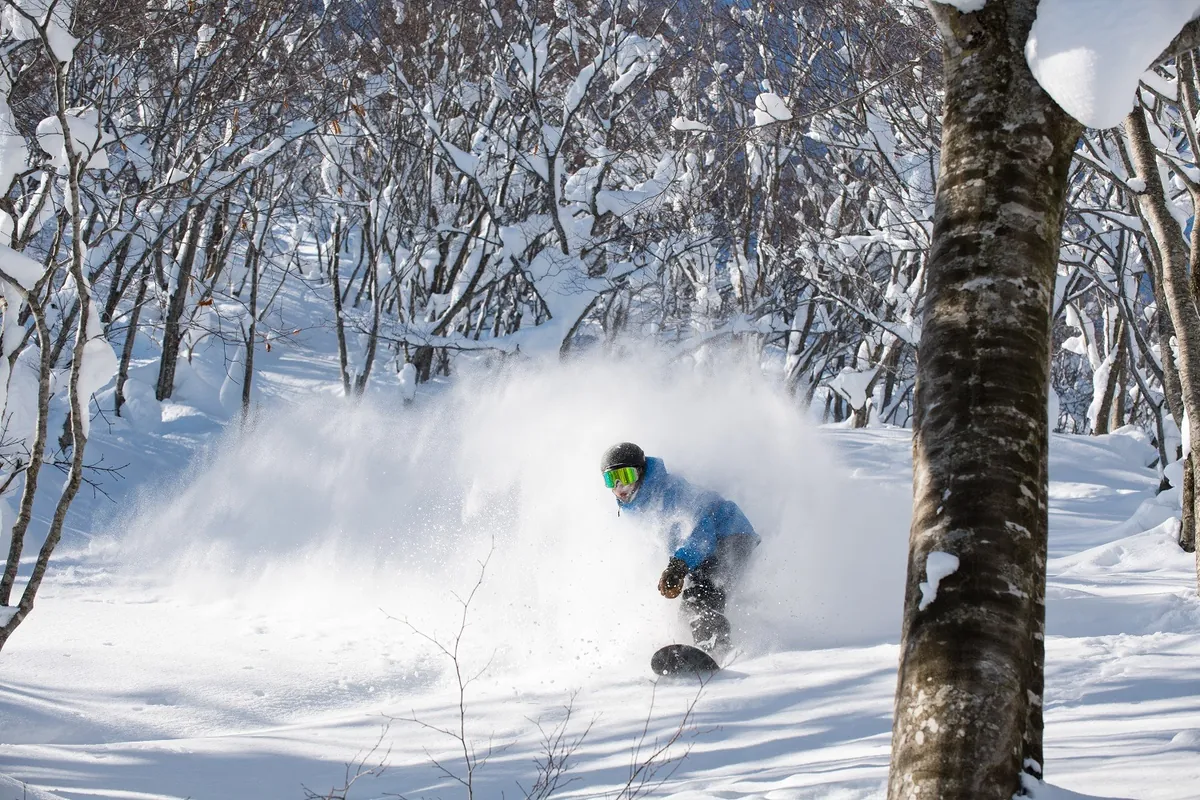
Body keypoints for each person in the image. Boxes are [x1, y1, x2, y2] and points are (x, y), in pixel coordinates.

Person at [601, 441, 759, 656]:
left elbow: (701, 535)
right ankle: (696, 651)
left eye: (626, 476)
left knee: (702, 593)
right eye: (611, 479)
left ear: (639, 472)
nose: (619, 487)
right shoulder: (637, 504)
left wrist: (678, 565)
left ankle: (718, 650)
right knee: (688, 608)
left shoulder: (670, 492)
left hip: (731, 535)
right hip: (701, 550)